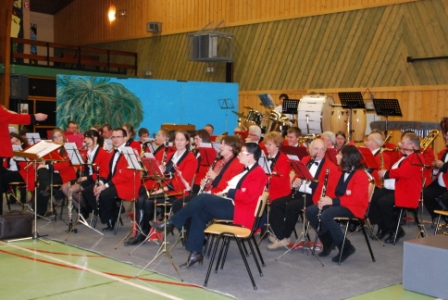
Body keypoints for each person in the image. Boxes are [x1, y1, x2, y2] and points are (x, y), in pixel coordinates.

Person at [151, 143, 267, 268]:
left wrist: (230, 192)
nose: (239, 154)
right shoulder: (248, 170)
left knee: (202, 198)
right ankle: (195, 253)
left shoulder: (258, 173)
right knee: (198, 213)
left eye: (242, 152)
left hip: (240, 210)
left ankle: (171, 223)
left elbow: (247, 196)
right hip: (234, 205)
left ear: (250, 156)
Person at [125, 131, 198, 245]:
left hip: (177, 193)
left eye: (182, 140)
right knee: (141, 199)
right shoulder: (170, 155)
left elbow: (183, 180)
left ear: (187, 142)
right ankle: (140, 234)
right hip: (165, 189)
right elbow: (164, 176)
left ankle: (144, 233)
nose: (178, 142)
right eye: (177, 139)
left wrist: (161, 189)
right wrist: (160, 171)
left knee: (148, 200)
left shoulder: (191, 158)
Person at [268, 138, 340, 250]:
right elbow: (299, 174)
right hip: (299, 192)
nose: (319, 152)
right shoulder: (306, 159)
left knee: (291, 207)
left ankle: (283, 237)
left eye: (322, 149)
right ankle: (279, 234)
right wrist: (295, 180)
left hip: (314, 196)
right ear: (309, 150)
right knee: (277, 203)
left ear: (325, 151)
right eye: (316, 149)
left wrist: (311, 182)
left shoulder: (331, 167)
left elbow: (329, 189)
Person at [305, 145, 370, 262]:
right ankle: (328, 242)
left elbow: (356, 199)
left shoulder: (361, 175)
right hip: (341, 203)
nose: (336, 156)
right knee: (310, 211)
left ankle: (345, 246)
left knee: (326, 215)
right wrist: (324, 200)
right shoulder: (342, 171)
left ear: (346, 157)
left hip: (355, 207)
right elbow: (335, 191)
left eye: (339, 154)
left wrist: (332, 201)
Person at [368, 132, 424, 243]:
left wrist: (386, 173)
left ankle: (395, 229)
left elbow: (403, 173)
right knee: (372, 197)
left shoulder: (417, 157)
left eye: (403, 143)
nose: (400, 145)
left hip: (407, 192)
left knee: (383, 202)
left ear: (411, 145)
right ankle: (383, 226)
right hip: (396, 188)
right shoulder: (406, 156)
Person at [83, 128, 141, 230]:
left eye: (118, 137)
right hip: (114, 182)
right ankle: (106, 215)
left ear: (125, 138)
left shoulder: (130, 152)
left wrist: (105, 186)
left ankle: (112, 216)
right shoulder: (112, 152)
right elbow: (105, 170)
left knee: (105, 194)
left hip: (127, 184)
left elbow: (125, 175)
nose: (115, 139)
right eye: (113, 137)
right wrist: (100, 182)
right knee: (89, 191)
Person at [61, 130, 110, 219]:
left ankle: (86, 209)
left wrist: (87, 177)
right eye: (85, 138)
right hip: (87, 177)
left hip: (94, 179)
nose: (85, 140)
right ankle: (80, 209)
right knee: (64, 187)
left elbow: (103, 172)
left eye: (88, 138)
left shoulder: (103, 153)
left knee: (71, 190)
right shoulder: (88, 152)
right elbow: (87, 169)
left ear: (95, 138)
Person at [36, 129, 77, 216]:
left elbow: (65, 165)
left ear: (63, 136)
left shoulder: (68, 147)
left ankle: (40, 211)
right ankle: (51, 191)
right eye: (55, 137)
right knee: (41, 171)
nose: (57, 138)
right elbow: (45, 161)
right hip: (52, 175)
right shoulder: (51, 149)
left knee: (42, 185)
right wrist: (44, 163)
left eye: (59, 135)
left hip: (64, 176)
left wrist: (47, 166)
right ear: (52, 140)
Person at [0, 133, 35, 214]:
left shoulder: (27, 151)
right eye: (12, 143)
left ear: (21, 141)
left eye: (17, 141)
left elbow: (27, 167)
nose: (15, 143)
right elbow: (6, 166)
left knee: (1, 179)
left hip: (22, 173)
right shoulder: (9, 152)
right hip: (11, 172)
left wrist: (18, 156)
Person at [424, 131, 448, 220]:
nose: (446, 137)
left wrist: (443, 166)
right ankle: (441, 215)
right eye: (446, 135)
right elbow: (439, 169)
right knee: (424, 193)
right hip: (440, 185)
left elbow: (445, 166)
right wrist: (435, 170)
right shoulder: (443, 152)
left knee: (446, 197)